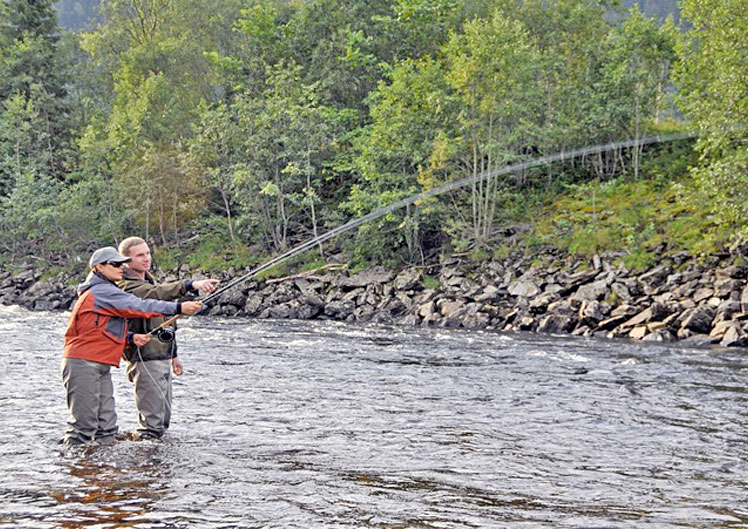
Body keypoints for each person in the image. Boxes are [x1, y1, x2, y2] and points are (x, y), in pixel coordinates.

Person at [61, 247, 202, 446]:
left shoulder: (106, 290)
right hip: (83, 363)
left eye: (123, 263)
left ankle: (102, 472)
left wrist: (129, 338)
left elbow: (98, 327)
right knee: (82, 427)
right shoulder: (102, 291)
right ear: (99, 268)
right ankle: (74, 470)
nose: (122, 267)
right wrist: (179, 308)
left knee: (106, 427)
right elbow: (140, 306)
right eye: (116, 264)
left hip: (99, 363)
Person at [117, 236, 219, 440]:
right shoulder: (126, 286)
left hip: (161, 356)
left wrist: (173, 355)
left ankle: (156, 463)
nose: (146, 258)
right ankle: (145, 465)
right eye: (140, 255)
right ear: (127, 261)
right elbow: (155, 294)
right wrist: (191, 285)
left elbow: (167, 322)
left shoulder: (148, 281)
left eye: (147, 253)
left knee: (163, 421)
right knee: (151, 425)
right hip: (144, 357)